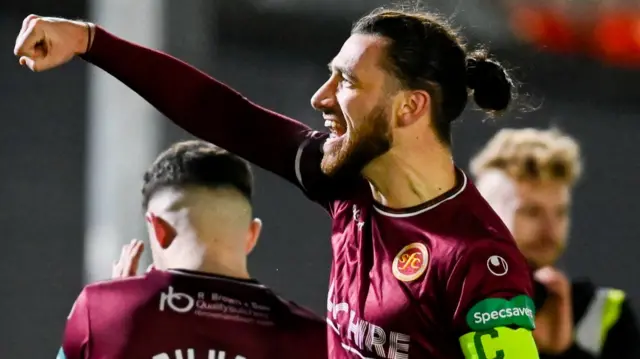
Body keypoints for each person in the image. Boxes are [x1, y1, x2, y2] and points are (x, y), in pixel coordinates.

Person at [16, 8, 539, 359]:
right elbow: (227, 117)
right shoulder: (346, 183)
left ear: (411, 107)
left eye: (348, 81)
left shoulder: (478, 262)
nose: (321, 97)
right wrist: (89, 40)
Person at [56, 140, 327, 359]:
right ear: (251, 235)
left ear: (157, 229)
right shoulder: (313, 336)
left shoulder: (100, 310)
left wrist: (117, 312)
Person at [471, 127, 640, 358]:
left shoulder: (604, 312)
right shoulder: (438, 305)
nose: (550, 229)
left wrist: (564, 351)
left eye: (560, 212)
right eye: (531, 212)